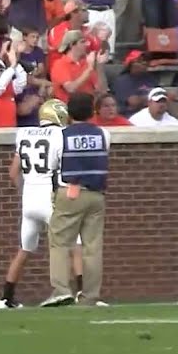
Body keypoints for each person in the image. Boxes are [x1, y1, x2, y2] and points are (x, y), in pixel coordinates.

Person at [4, 99, 83, 309]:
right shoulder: (61, 136)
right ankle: (82, 293)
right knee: (74, 244)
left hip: (29, 199)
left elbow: (13, 173)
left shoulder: (24, 134)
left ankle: (6, 298)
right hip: (49, 197)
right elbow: (65, 171)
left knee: (24, 250)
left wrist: (24, 192)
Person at [47, 92, 110, 308]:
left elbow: (53, 163)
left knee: (60, 243)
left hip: (70, 191)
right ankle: (90, 296)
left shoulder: (60, 135)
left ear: (69, 112)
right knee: (93, 247)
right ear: (92, 111)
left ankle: (61, 290)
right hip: (96, 194)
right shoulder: (103, 133)